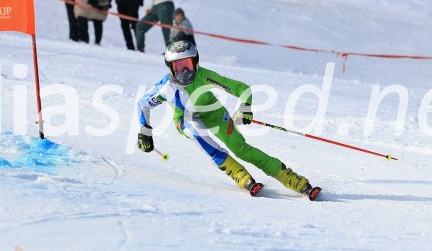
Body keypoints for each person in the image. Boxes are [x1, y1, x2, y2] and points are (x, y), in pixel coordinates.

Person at [136, 38, 321, 199]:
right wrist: (145, 132)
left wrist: (245, 106)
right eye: (179, 66)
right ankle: (239, 174)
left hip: (214, 113)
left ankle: (290, 177)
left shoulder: (203, 75)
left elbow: (241, 89)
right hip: (185, 119)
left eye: (188, 65)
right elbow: (143, 105)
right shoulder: (165, 87)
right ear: (170, 68)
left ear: (196, 62)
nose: (185, 72)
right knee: (195, 132)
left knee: (240, 149)